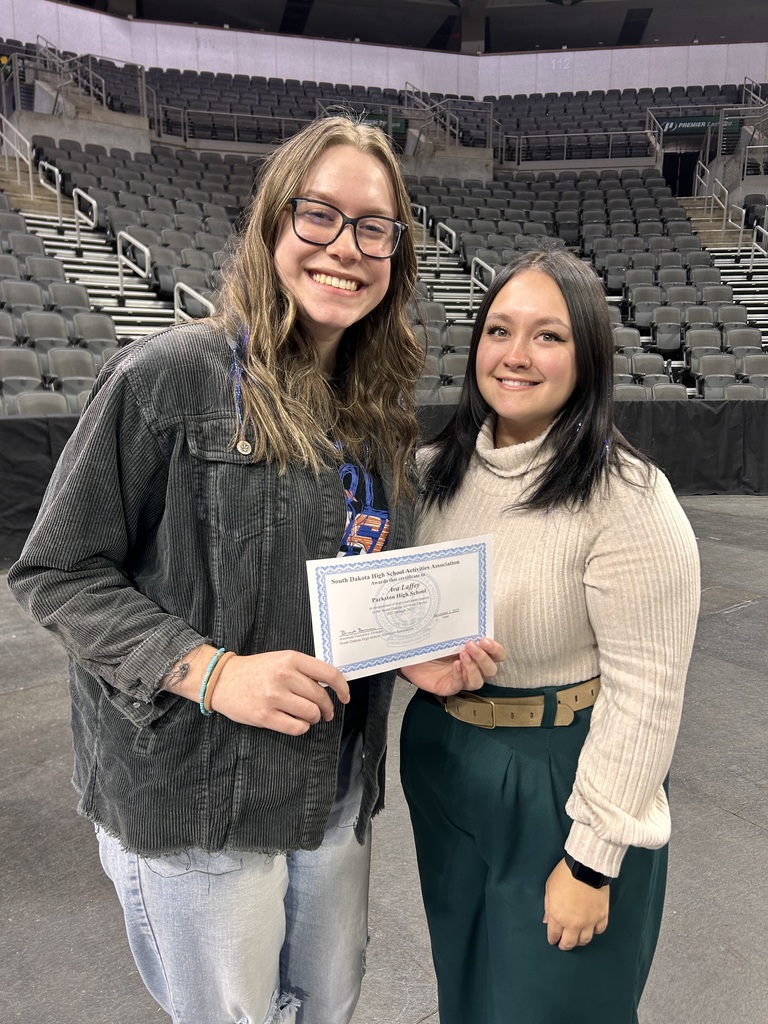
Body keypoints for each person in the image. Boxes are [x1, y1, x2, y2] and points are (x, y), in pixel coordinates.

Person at [7, 115, 501, 1024]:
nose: (345, 247)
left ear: (396, 253)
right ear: (274, 222)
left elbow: (355, 585)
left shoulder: (378, 417)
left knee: (326, 1005)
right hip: (203, 795)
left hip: (332, 786)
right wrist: (213, 672)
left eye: (373, 227)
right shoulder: (166, 379)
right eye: (319, 215)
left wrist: (410, 651)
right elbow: (56, 572)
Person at [399, 246, 701, 1024]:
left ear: (588, 355)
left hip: (564, 774)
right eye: (499, 330)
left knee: (560, 1006)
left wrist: (592, 862)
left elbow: (648, 697)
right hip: (445, 758)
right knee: (466, 989)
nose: (516, 355)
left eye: (548, 336)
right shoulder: (431, 474)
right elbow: (400, 619)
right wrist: (412, 664)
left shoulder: (627, 497)